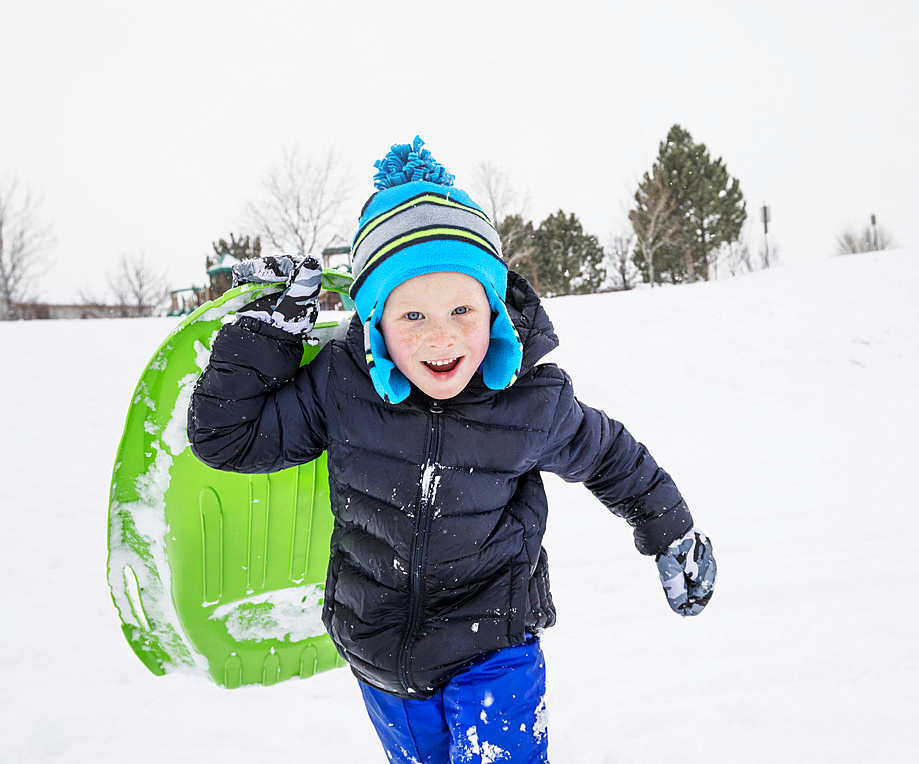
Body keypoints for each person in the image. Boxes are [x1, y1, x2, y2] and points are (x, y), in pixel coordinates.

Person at [187, 136, 716, 764]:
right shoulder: (341, 385)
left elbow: (611, 457)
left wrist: (671, 533)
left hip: (495, 645)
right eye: (413, 316)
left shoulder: (528, 401)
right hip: (379, 651)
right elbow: (227, 438)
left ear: (493, 310)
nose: (442, 338)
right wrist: (270, 332)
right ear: (375, 318)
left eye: (463, 309)